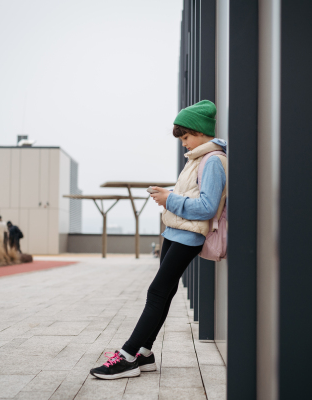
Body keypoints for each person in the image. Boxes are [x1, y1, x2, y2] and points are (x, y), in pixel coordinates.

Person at [89, 100, 227, 380]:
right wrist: (169, 195)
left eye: (185, 137)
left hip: (189, 237)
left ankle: (127, 356)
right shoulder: (199, 159)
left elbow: (208, 207)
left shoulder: (213, 161)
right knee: (163, 293)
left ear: (200, 132)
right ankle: (145, 354)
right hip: (175, 234)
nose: (183, 143)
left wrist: (169, 198)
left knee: (156, 293)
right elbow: (192, 198)